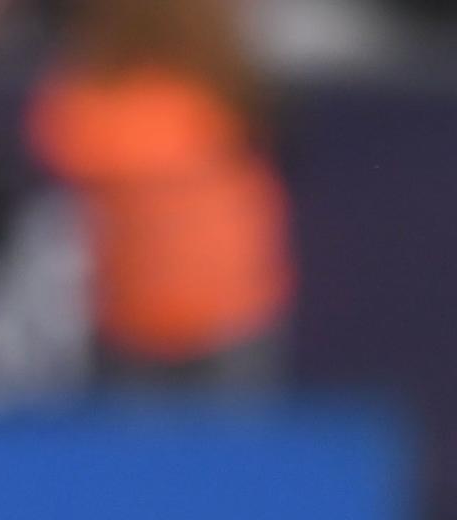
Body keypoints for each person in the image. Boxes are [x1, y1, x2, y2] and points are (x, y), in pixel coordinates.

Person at [27, 0, 292, 388]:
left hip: (231, 318)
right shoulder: (99, 100)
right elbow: (61, 140)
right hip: (137, 325)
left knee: (233, 444)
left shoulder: (225, 91)